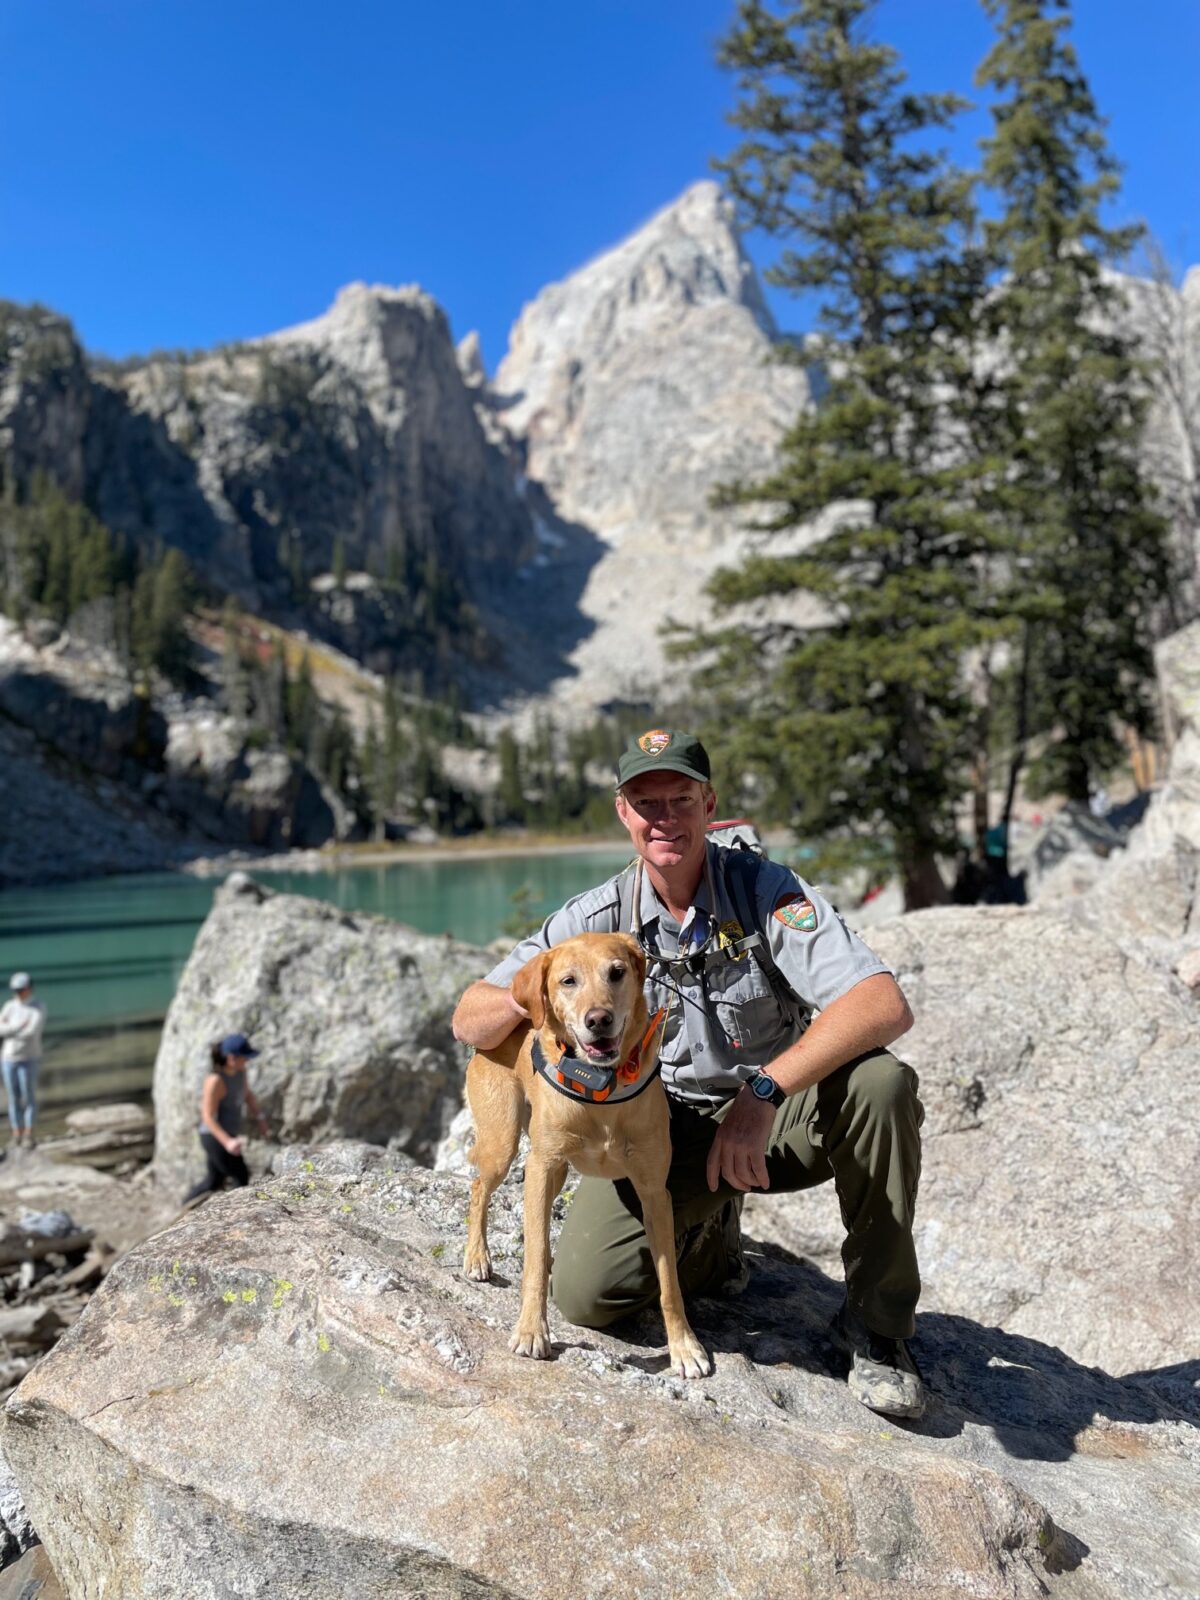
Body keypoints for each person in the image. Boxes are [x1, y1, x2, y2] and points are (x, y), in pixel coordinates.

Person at [452, 728, 925, 1418]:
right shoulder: (595, 920)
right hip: (660, 1128)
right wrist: (540, 1000)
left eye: (680, 799)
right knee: (589, 1297)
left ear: (709, 804)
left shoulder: (766, 892)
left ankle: (879, 1329)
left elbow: (883, 1004)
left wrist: (765, 1091)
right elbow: (470, 1017)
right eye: (647, 803)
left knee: (882, 1084)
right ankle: (711, 1240)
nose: (663, 818)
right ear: (623, 812)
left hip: (770, 1117)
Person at [182, 1032, 270, 1206]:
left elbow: (247, 1094)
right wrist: (228, 1142)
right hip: (214, 1137)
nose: (247, 1061)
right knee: (240, 1175)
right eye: (244, 1058)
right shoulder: (215, 1081)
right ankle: (243, 1213)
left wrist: (260, 1118)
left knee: (214, 1180)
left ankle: (186, 1205)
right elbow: (207, 1117)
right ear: (231, 1058)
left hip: (228, 1133)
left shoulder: (240, 1072)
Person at [0, 972, 46, 1151]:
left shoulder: (38, 1007)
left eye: (21, 990)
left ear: (29, 988)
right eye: (15, 990)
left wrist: (9, 1029)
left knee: (28, 1097)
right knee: (13, 1098)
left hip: (29, 1058)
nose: (18, 993)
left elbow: (31, 1032)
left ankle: (29, 1134)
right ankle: (16, 1134)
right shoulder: (9, 1006)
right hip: (8, 1058)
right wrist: (18, 1027)